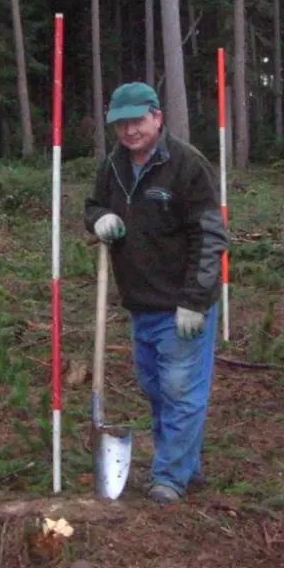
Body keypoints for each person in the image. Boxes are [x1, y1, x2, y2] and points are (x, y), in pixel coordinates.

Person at [84, 83, 228, 504]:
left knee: (181, 390)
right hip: (140, 303)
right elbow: (92, 206)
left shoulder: (186, 165)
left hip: (182, 304)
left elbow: (209, 234)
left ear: (157, 117)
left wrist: (195, 300)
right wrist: (100, 219)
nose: (130, 131)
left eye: (138, 120)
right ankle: (185, 463)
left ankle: (171, 477)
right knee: (156, 388)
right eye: (122, 123)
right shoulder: (113, 166)